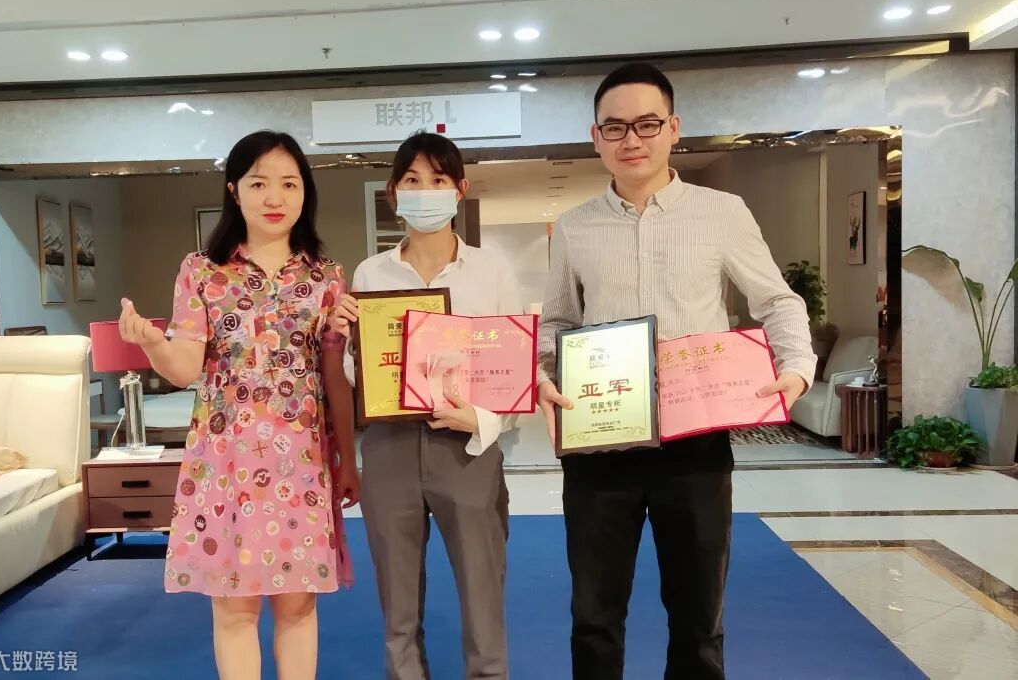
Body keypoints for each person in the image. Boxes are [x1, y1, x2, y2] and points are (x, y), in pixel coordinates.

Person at [536, 63, 817, 680]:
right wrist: (545, 375)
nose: (631, 139)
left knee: (697, 617)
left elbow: (776, 301)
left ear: (673, 128)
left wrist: (796, 367)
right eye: (615, 127)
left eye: (647, 124)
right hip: (601, 440)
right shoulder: (576, 226)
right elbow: (557, 322)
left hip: (695, 443)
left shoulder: (721, 212)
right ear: (596, 137)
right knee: (594, 616)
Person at [118, 129, 360, 680]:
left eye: (289, 184)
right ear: (234, 190)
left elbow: (333, 377)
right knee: (234, 609)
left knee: (298, 605)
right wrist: (152, 342)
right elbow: (185, 368)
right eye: (259, 183)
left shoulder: (326, 277)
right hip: (225, 465)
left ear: (306, 192)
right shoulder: (202, 270)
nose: (275, 198)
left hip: (301, 466)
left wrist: (348, 458)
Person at [333, 132, 523, 680]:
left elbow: (516, 370)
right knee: (397, 603)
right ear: (394, 192)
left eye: (438, 180)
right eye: (412, 180)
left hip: (467, 447)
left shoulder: (492, 271)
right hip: (389, 448)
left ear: (459, 190)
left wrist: (482, 419)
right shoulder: (370, 273)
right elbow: (361, 378)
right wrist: (348, 342)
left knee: (482, 595)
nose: (425, 191)